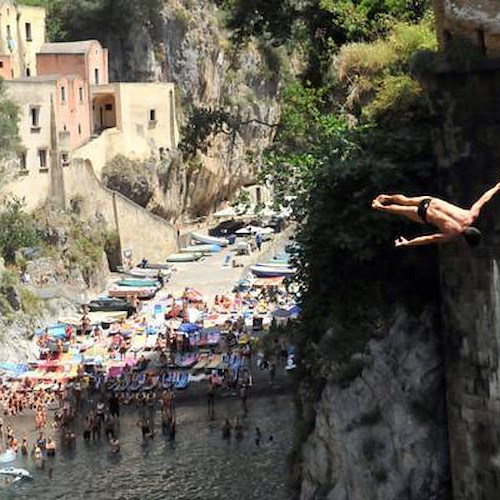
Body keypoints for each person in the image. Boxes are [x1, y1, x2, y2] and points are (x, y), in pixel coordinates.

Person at [371, 182, 500, 247]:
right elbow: (429, 239)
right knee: (401, 210)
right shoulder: (450, 234)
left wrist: (496, 187)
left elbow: (484, 198)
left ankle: (386, 197)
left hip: (431, 201)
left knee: (406, 200)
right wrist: (408, 242)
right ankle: (379, 207)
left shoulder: (471, 215)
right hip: (425, 214)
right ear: (465, 239)